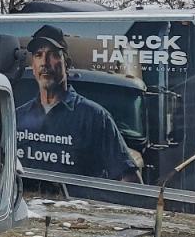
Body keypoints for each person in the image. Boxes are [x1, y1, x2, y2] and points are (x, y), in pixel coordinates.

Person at [14, 25, 142, 183]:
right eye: (38, 55)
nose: (44, 63)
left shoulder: (95, 117)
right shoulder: (17, 117)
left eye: (53, 54)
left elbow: (130, 180)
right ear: (33, 67)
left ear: (67, 64)